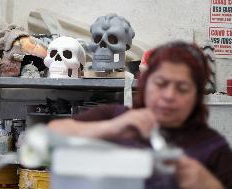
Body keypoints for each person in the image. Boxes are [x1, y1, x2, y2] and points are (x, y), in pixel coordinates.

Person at [48, 41, 232, 189]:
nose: (169, 96)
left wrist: (208, 184)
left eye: (182, 88)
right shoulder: (114, 116)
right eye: (160, 83)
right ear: (145, 85)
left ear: (197, 95)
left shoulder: (213, 148)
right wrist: (112, 128)